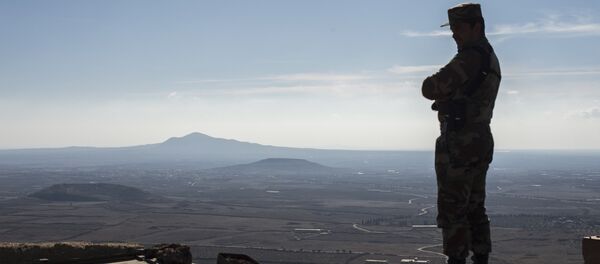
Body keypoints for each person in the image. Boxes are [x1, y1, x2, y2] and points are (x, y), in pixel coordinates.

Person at [421, 3, 501, 264]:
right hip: (479, 140)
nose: (454, 34)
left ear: (476, 27)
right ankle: (481, 258)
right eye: (452, 28)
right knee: (475, 207)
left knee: (453, 209)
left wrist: (441, 92)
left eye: (458, 28)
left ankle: (456, 259)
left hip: (460, 143)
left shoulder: (470, 57)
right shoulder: (488, 56)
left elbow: (431, 87)